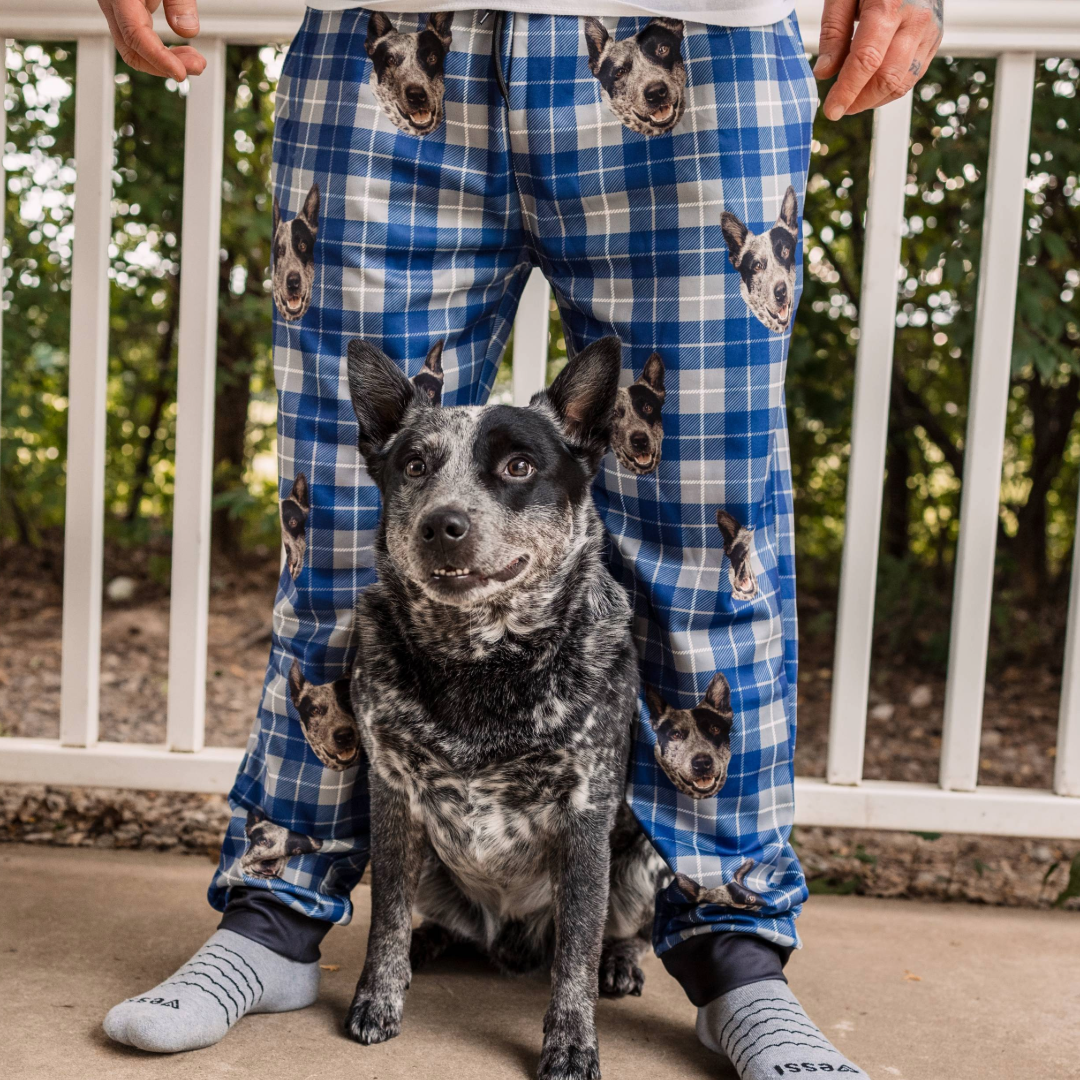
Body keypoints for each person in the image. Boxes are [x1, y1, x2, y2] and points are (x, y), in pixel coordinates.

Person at [97, 0, 943, 1076]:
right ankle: (276, 915)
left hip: (704, 30)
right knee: (350, 522)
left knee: (709, 538)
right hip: (384, 27)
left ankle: (732, 950)